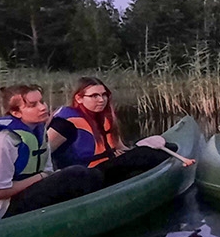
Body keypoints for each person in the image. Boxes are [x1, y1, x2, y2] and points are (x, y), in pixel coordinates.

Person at [0, 85, 103, 218]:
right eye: (33, 105)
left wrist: (45, 176)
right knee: (77, 175)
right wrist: (41, 177)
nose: (43, 107)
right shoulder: (2, 141)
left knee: (95, 174)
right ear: (16, 113)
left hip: (29, 189)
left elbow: (47, 169)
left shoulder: (38, 130)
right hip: (1, 208)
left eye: (41, 101)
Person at [47, 76, 184, 185]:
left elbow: (120, 147)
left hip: (109, 167)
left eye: (104, 95)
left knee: (167, 148)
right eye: (94, 96)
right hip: (86, 175)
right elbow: (44, 153)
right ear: (79, 98)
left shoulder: (103, 118)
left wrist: (125, 153)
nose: (101, 100)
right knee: (146, 155)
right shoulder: (64, 124)